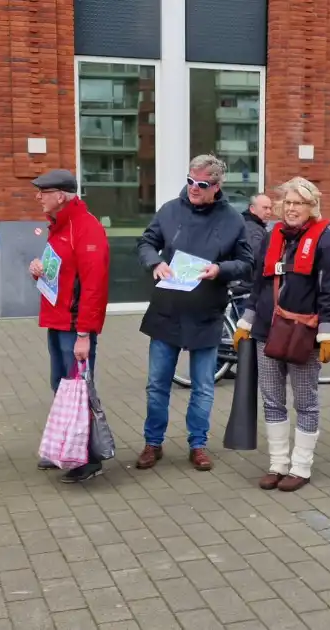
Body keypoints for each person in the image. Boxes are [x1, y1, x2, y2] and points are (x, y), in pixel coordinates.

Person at [135, 154, 253, 471]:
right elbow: (146, 242)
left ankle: (198, 445)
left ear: (216, 186)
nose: (193, 189)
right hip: (168, 310)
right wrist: (154, 262)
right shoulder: (170, 210)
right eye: (190, 181)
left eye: (201, 184)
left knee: (203, 386)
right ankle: (152, 443)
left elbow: (247, 263)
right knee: (157, 384)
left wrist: (221, 269)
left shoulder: (232, 219)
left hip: (206, 312)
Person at [232, 177, 330, 491]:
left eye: (300, 203)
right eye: (289, 203)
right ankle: (278, 464)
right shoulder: (272, 238)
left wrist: (329, 334)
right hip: (267, 331)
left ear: (312, 207)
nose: (292, 208)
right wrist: (246, 322)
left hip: (302, 332)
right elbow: (258, 285)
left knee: (306, 402)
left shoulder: (326, 242)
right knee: (272, 401)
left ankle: (301, 467)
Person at [28, 169, 110, 483]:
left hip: (75, 327)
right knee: (63, 388)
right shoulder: (60, 227)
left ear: (60, 196)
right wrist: (39, 270)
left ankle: (88, 458)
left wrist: (84, 335)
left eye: (43, 192)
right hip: (59, 321)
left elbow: (93, 286)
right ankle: (67, 447)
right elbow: (64, 274)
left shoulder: (85, 228)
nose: (38, 197)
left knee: (79, 390)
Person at [230, 192, 273, 303]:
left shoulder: (250, 225)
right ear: (252, 209)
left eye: (270, 208)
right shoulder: (252, 229)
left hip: (243, 286)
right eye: (265, 208)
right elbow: (258, 256)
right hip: (247, 289)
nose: (269, 212)